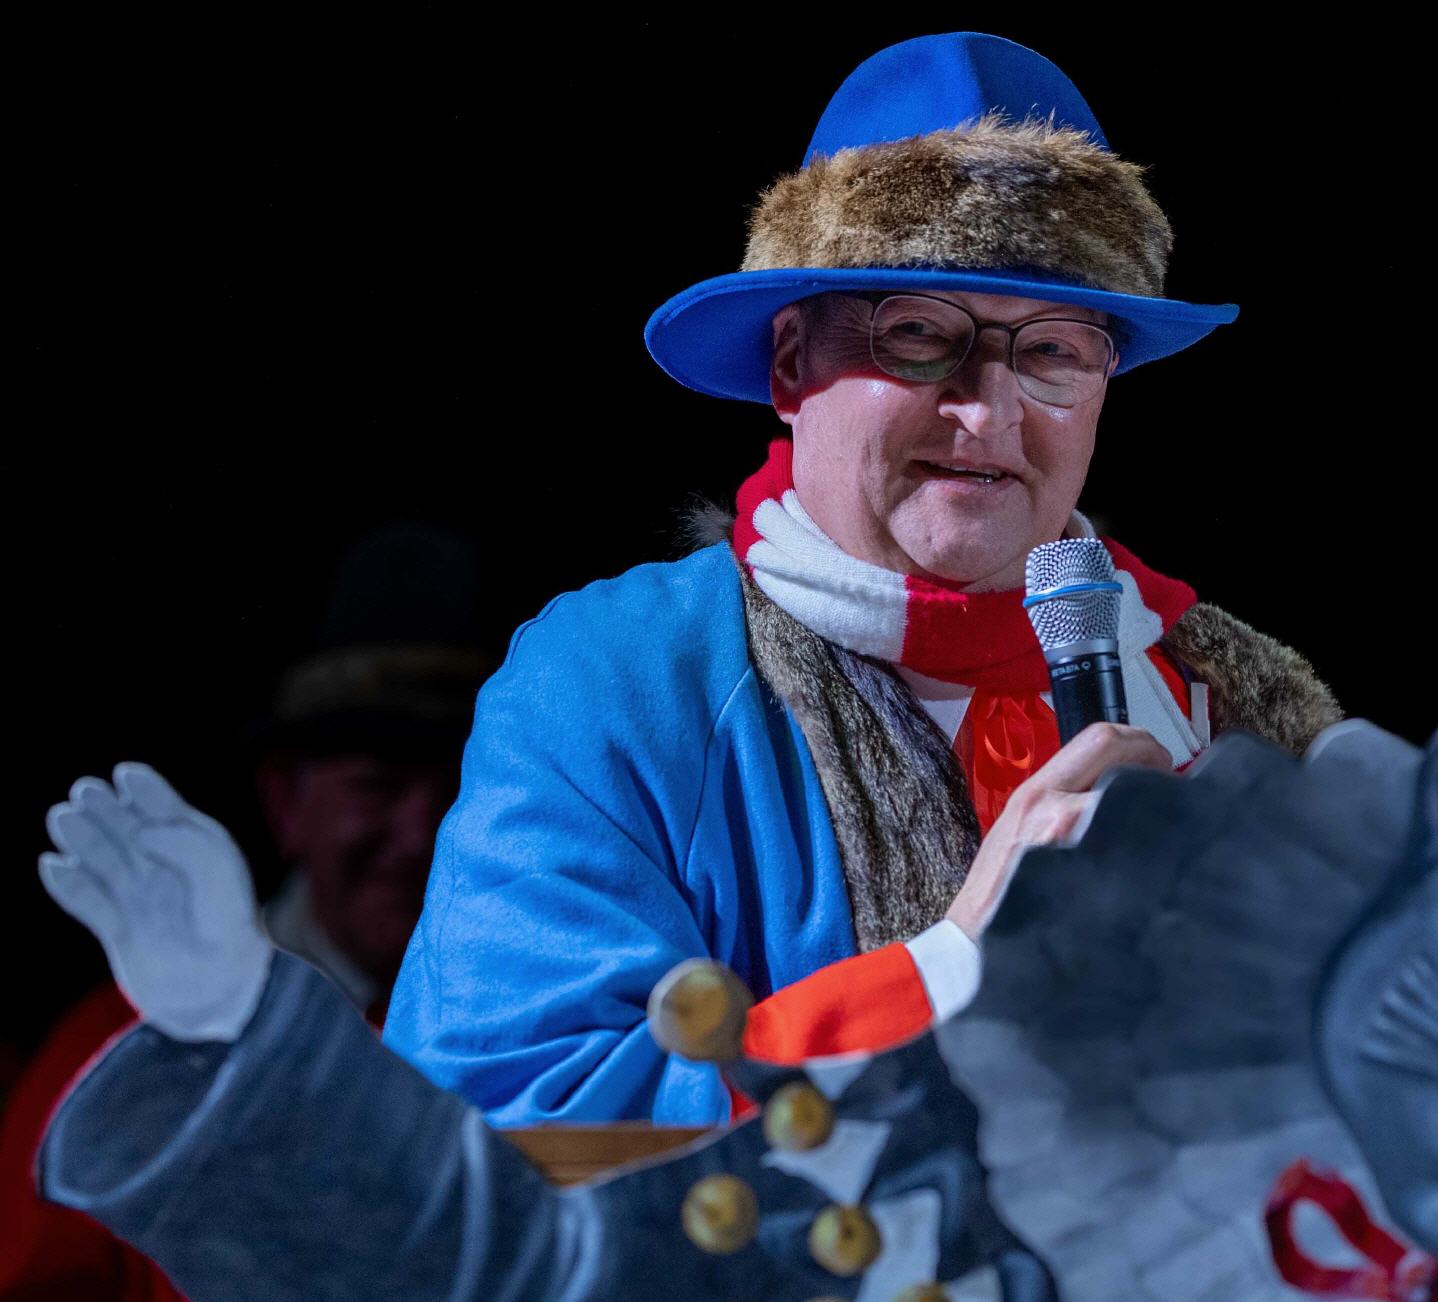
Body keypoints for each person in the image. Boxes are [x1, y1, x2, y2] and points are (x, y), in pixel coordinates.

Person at [381, 31, 1345, 1128]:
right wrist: (952, 970)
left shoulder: (1232, 700)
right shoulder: (616, 682)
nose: (988, 410)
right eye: (920, 334)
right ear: (792, 361)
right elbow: (500, 1135)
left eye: (1052, 352)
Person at [0, 523, 488, 1300]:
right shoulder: (117, 1054)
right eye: (378, 788)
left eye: (465, 791)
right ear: (285, 802)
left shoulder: (575, 1043)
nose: (422, 836)